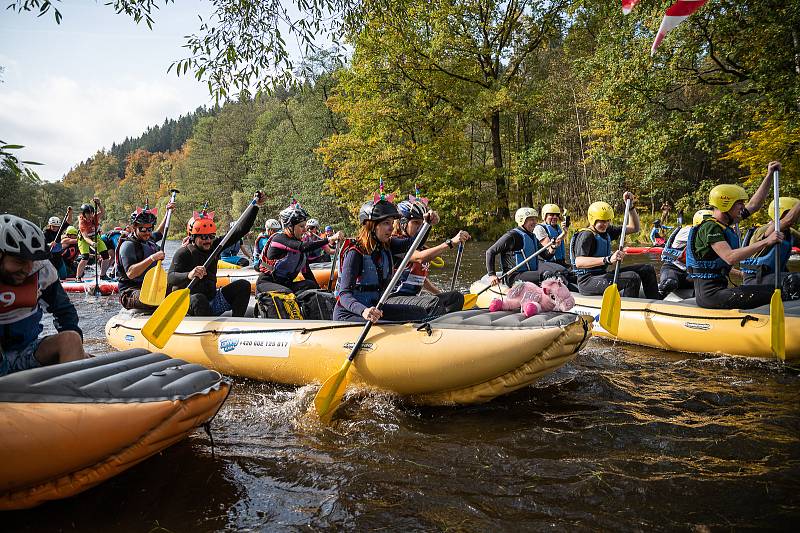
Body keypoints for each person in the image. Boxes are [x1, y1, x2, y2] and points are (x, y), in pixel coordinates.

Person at [687, 162, 788, 309]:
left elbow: (754, 205)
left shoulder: (727, 222)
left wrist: (769, 175)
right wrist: (766, 241)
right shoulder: (709, 227)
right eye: (739, 203)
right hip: (710, 296)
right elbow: (730, 257)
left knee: (785, 285)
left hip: (720, 290)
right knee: (779, 290)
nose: (742, 206)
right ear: (725, 204)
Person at [334, 197, 447, 323]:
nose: (391, 228)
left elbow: (413, 243)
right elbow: (344, 294)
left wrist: (427, 224)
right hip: (350, 314)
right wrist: (364, 311)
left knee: (420, 313)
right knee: (393, 326)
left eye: (392, 223)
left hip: (376, 309)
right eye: (386, 223)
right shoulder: (355, 252)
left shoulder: (387, 245)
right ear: (372, 225)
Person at [0, 214, 87, 377]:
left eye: (31, 260)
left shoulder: (42, 269)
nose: (27, 269)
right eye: (19, 261)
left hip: (27, 351)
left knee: (71, 339)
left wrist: (77, 355)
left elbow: (64, 311)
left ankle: (71, 393)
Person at [167, 194, 265, 317]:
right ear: (193, 237)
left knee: (243, 285)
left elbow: (240, 230)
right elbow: (170, 277)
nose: (208, 240)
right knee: (198, 299)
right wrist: (189, 274)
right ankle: (206, 330)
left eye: (211, 236)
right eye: (203, 237)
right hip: (189, 303)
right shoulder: (183, 253)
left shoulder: (216, 246)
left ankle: (236, 323)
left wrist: (255, 206)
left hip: (213, 300)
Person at [386, 198, 471, 315]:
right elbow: (419, 257)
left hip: (412, 299)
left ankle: (449, 324)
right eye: (416, 222)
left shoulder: (422, 247)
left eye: (422, 223)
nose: (420, 227)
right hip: (393, 300)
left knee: (455, 297)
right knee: (434, 303)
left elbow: (421, 279)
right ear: (403, 223)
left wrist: (439, 293)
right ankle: (434, 328)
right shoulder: (395, 243)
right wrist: (450, 242)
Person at [570, 192, 660, 298]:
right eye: (602, 221)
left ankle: (656, 301)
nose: (605, 224)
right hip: (587, 281)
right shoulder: (586, 235)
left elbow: (634, 227)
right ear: (592, 220)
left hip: (601, 275)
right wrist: (607, 259)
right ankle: (628, 309)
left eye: (607, 221)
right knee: (632, 278)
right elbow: (579, 262)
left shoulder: (608, 230)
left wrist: (630, 206)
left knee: (647, 269)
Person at [256, 203, 343, 300]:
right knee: (287, 294)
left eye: (305, 226)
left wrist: (321, 292)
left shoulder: (300, 249)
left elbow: (307, 274)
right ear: (289, 227)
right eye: (301, 226)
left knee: (310, 284)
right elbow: (303, 247)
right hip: (267, 283)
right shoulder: (279, 239)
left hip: (286, 285)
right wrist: (329, 239)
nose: (305, 230)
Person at [116, 200, 176, 310]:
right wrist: (152, 258)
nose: (147, 232)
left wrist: (168, 213)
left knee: (175, 292)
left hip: (150, 286)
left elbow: (160, 232)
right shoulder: (127, 246)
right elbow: (131, 273)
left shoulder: (148, 239)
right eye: (143, 229)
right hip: (130, 291)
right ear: (134, 227)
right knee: (153, 300)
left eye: (150, 229)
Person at [485, 207, 566, 288]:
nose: (535, 222)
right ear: (522, 220)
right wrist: (492, 274)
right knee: (548, 275)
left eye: (535, 219)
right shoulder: (512, 236)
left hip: (529, 273)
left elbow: (546, 256)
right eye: (531, 220)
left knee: (558, 273)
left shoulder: (532, 236)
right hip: (513, 276)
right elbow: (490, 252)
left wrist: (553, 247)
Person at [740, 196, 800, 298]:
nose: (796, 216)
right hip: (756, 279)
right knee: (795, 279)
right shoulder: (766, 229)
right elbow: (787, 221)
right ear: (780, 213)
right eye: (793, 212)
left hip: (775, 276)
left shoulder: (790, 233)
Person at [658, 209, 712, 298]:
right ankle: (657, 300)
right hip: (673, 268)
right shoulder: (687, 231)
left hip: (691, 273)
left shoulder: (711, 234)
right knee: (669, 283)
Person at [75, 199, 112, 281]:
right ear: (83, 214)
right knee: (85, 257)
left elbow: (102, 212)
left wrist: (99, 204)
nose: (90, 215)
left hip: (95, 236)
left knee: (105, 256)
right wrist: (92, 243)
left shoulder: (94, 217)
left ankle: (102, 275)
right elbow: (85, 237)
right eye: (88, 213)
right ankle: (78, 277)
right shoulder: (82, 223)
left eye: (91, 212)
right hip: (84, 239)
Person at [533, 204, 569, 269]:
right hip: (548, 263)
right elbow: (549, 247)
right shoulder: (539, 229)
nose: (555, 217)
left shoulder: (557, 228)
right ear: (545, 216)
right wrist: (563, 233)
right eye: (551, 215)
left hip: (560, 262)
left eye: (557, 215)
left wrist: (564, 232)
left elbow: (559, 241)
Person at [42, 208, 72, 279]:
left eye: (57, 226)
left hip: (58, 256)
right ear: (49, 225)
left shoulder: (59, 229)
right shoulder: (45, 232)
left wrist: (70, 213)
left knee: (64, 276)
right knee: (54, 276)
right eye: (53, 226)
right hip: (50, 257)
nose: (55, 228)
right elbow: (42, 244)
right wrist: (49, 244)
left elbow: (68, 222)